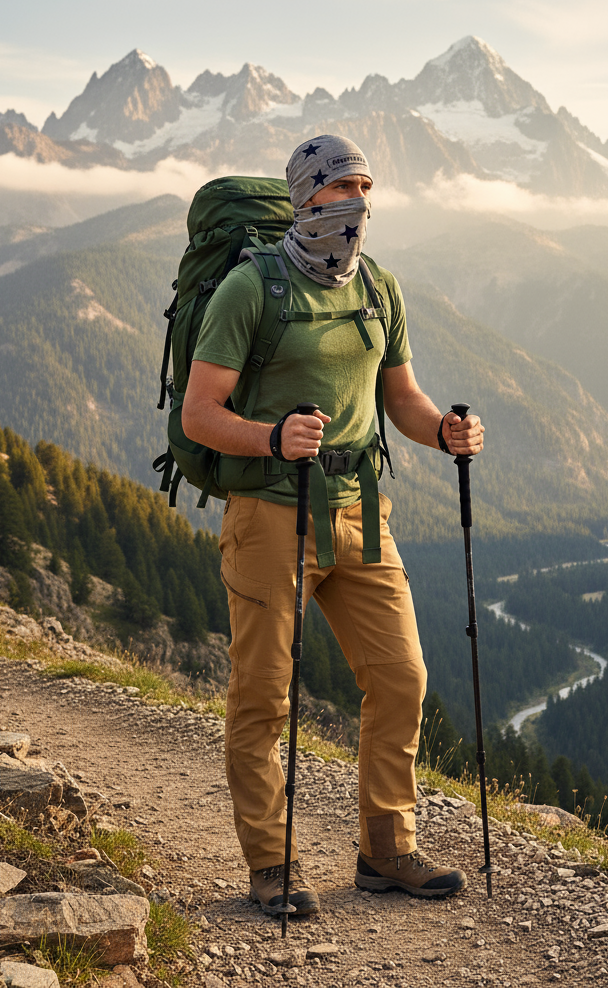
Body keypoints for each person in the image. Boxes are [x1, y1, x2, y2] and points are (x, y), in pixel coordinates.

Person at [182, 134, 484, 917]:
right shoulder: (250, 290)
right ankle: (271, 865)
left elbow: (403, 399)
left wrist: (443, 429)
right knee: (263, 698)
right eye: (341, 186)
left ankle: (385, 850)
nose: (357, 202)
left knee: (401, 676)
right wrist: (272, 436)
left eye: (366, 186)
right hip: (271, 515)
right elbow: (201, 414)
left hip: (360, 510)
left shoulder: (378, 288)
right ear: (305, 197)